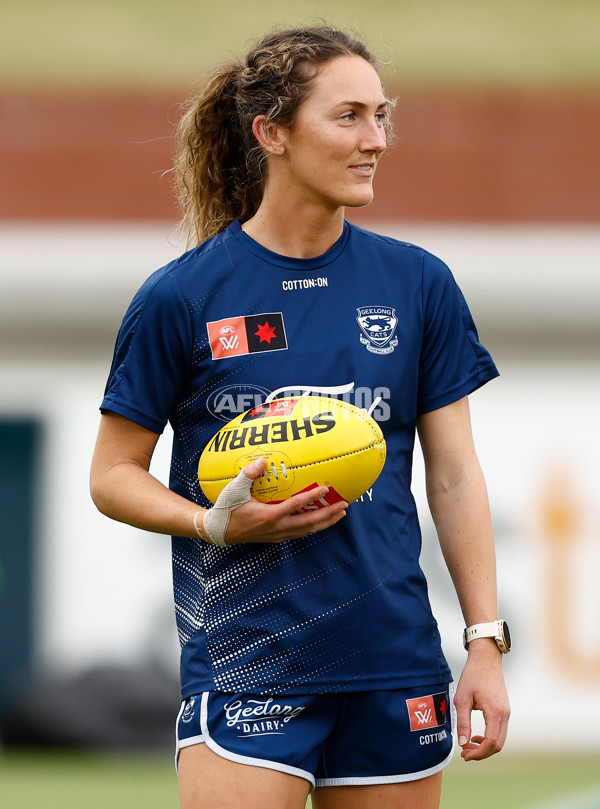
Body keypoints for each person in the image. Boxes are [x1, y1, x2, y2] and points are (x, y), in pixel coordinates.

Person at [90, 25, 510, 809]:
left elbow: (454, 476)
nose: (376, 140)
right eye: (348, 116)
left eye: (382, 116)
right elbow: (111, 475)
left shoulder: (418, 283)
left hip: (394, 664)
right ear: (272, 133)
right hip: (248, 662)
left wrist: (483, 641)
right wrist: (212, 523)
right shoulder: (182, 296)